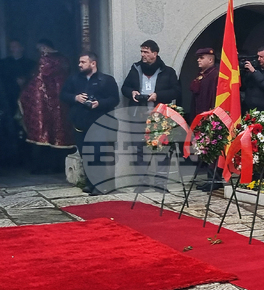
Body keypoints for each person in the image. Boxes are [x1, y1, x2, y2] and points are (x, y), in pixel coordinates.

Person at [59, 53, 119, 195]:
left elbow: (114, 99)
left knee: (98, 154)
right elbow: (63, 95)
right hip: (80, 123)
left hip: (100, 122)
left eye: (83, 62)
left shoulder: (106, 80)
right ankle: (89, 183)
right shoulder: (73, 79)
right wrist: (76, 98)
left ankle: (99, 185)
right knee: (85, 154)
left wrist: (99, 103)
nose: (79, 64)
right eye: (79, 62)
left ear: (93, 63)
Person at [19, 41, 74, 173]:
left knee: (43, 132)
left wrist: (23, 93)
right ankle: (58, 166)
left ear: (44, 47)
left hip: (44, 105)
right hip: (62, 103)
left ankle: (42, 167)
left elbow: (37, 82)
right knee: (59, 132)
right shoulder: (65, 60)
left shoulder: (45, 60)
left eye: (40, 49)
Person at [121, 40, 180, 109]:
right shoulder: (135, 69)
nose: (142, 55)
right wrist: (132, 93)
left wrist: (157, 96)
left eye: (146, 52)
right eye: (141, 52)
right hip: (137, 112)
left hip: (160, 115)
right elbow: (125, 88)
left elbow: (176, 92)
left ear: (154, 54)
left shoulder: (168, 72)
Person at [189, 48, 219, 116]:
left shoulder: (216, 75)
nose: (198, 60)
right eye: (198, 58)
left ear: (210, 60)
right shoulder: (201, 74)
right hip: (197, 112)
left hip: (209, 114)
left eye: (201, 58)